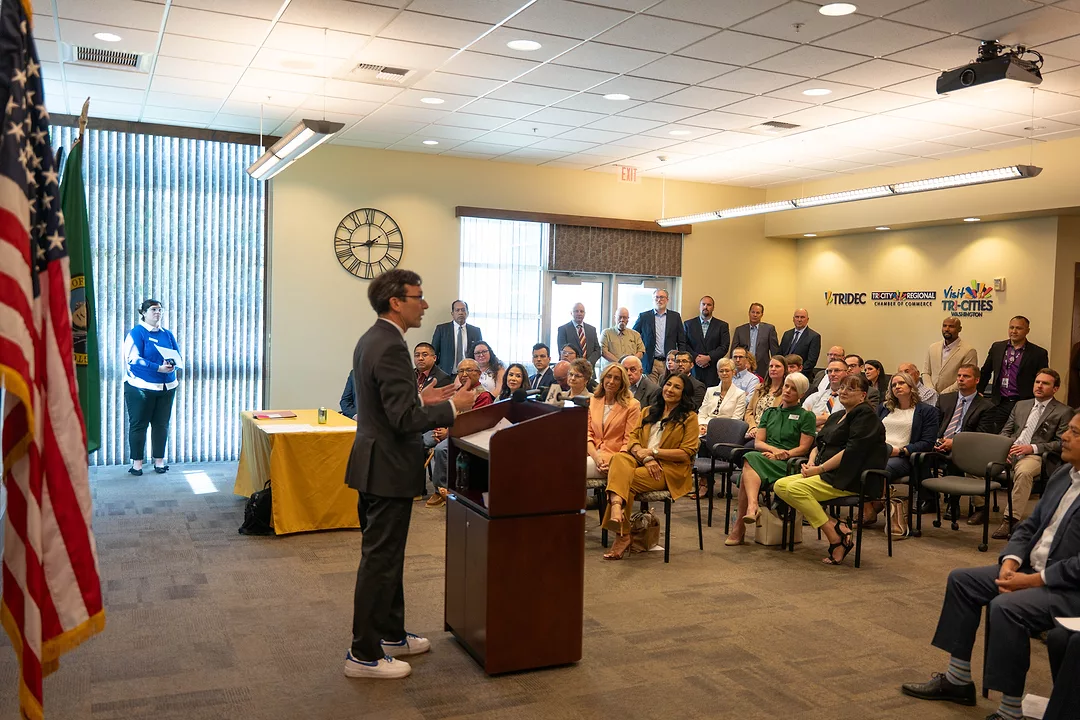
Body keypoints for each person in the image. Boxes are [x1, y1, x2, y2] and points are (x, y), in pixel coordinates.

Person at [900, 409, 1080, 720]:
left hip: (1067, 586)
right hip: (1029, 570)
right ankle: (958, 680)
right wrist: (1010, 561)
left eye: (1076, 433)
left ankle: (1010, 711)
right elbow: (1029, 525)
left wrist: (1033, 581)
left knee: (1007, 607)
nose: (1064, 436)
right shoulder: (1064, 475)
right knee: (962, 580)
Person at [343, 269, 475, 680]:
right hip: (386, 467)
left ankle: (391, 634)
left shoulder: (374, 339)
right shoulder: (392, 347)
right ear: (396, 302)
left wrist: (422, 397)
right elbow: (403, 420)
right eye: (418, 297)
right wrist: (454, 408)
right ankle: (363, 654)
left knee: (388, 556)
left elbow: (389, 407)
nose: (423, 303)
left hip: (374, 463)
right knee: (379, 561)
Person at [773, 374, 886, 566]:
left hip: (850, 476)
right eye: (842, 387)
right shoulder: (837, 415)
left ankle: (834, 538)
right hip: (825, 471)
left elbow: (851, 452)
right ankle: (836, 526)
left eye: (850, 388)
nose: (843, 391)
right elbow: (819, 443)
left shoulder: (866, 417)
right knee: (780, 486)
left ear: (862, 395)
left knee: (795, 489)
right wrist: (810, 462)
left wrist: (819, 469)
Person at [600, 372, 699, 559]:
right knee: (618, 459)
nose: (670, 389)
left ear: (684, 393)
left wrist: (654, 453)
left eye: (677, 387)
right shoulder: (648, 411)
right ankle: (618, 513)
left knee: (625, 481)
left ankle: (621, 530)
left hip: (668, 469)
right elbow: (632, 439)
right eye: (668, 384)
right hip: (642, 461)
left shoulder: (689, 417)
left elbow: (686, 452)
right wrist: (646, 457)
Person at [974, 368, 1072, 539]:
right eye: (1037, 382)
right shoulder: (1021, 405)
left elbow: (1061, 443)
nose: (1039, 386)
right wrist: (1001, 449)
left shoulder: (1063, 411)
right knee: (976, 460)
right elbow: (1006, 431)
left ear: (1055, 389)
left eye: (1045, 383)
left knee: (1024, 472)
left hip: (1036, 455)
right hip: (1011, 450)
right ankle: (981, 508)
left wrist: (1032, 448)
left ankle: (1010, 519)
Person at [725, 373, 816, 546]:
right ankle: (751, 508)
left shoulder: (806, 416)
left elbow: (804, 448)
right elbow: (759, 442)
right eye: (787, 386)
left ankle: (741, 525)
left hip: (789, 463)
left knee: (748, 462)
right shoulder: (770, 412)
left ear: (802, 394)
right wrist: (774, 451)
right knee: (751, 457)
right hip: (767, 457)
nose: (788, 391)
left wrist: (784, 454)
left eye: (794, 389)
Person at [863, 372, 939, 524]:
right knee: (857, 464)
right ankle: (869, 509)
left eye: (901, 383)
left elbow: (927, 442)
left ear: (911, 387)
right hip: (879, 452)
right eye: (893, 385)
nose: (897, 387)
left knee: (878, 469)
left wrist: (902, 450)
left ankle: (876, 504)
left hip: (904, 456)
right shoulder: (884, 408)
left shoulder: (926, 411)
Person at [426, 358, 495, 509]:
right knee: (420, 440)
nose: (464, 374)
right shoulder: (458, 392)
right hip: (449, 429)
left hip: (466, 435)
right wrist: (441, 429)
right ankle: (417, 486)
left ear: (478, 373)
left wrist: (448, 433)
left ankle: (442, 490)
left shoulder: (484, 395)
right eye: (461, 371)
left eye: (469, 370)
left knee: (441, 449)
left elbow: (474, 424)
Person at [123, 299, 182, 475]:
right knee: (139, 425)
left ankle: (159, 462)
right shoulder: (136, 333)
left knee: (161, 424)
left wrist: (172, 365)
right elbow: (133, 360)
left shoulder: (167, 334)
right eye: (153, 309)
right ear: (143, 312)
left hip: (167, 386)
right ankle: (137, 464)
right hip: (141, 387)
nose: (158, 313)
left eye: (160, 310)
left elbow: (177, 356)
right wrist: (157, 368)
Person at [979, 315, 1050, 434]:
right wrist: (979, 391)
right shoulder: (997, 347)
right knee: (995, 434)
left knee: (1018, 434)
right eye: (1011, 327)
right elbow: (986, 371)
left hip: (1023, 402)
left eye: (1019, 328)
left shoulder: (1038, 353)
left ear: (1027, 331)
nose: (1014, 331)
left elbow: (1042, 378)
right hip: (999, 401)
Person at [586, 364, 642, 478]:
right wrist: (596, 457)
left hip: (614, 458)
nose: (611, 381)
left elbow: (629, 441)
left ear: (622, 383)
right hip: (592, 454)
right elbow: (588, 434)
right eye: (609, 376)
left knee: (571, 470)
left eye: (617, 378)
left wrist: (616, 463)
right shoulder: (593, 401)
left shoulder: (632, 405)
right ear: (602, 379)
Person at [632, 288, 687, 382]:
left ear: (667, 300)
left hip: (669, 362)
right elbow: (633, 337)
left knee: (667, 389)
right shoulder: (644, 317)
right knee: (651, 391)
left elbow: (681, 341)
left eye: (662, 297)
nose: (659, 300)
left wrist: (680, 360)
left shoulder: (675, 317)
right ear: (653, 299)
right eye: (656, 297)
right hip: (650, 362)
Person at [684, 295, 730, 388]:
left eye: (709, 305)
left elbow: (724, 347)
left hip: (713, 369)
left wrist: (708, 357)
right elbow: (684, 344)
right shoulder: (688, 324)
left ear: (713, 308)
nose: (706, 307)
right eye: (703, 304)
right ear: (699, 306)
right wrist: (696, 357)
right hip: (694, 369)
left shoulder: (722, 325)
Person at [924, 316, 979, 394]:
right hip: (931, 395)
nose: (947, 329)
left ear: (959, 329)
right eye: (944, 326)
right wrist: (931, 390)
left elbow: (966, 377)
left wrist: (945, 393)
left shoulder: (968, 351)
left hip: (953, 396)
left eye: (951, 326)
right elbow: (926, 372)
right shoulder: (933, 347)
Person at [697, 358, 748, 436]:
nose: (724, 373)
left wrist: (712, 428)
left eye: (727, 371)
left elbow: (736, 419)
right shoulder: (710, 391)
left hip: (726, 430)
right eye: (721, 371)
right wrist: (701, 425)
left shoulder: (740, 394)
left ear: (733, 372)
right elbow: (702, 412)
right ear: (718, 373)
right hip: (705, 427)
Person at [430, 299, 482, 375]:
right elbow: (433, 353)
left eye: (463, 310)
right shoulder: (442, 329)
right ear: (452, 313)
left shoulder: (475, 331)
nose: (460, 313)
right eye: (457, 310)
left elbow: (479, 353)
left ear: (467, 313)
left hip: (469, 375)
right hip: (446, 375)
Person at [729, 302, 778, 378]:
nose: (755, 315)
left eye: (758, 313)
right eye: (753, 312)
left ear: (762, 314)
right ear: (749, 313)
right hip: (743, 368)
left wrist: (775, 367)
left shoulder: (769, 329)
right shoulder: (740, 330)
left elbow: (775, 352)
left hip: (762, 368)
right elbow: (733, 351)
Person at [745, 355, 787, 440]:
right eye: (771, 366)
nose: (773, 369)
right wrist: (752, 427)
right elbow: (749, 412)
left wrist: (760, 431)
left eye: (777, 366)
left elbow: (783, 419)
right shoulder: (759, 388)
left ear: (785, 370)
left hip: (770, 434)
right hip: (752, 430)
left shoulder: (787, 392)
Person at [803, 359, 848, 430]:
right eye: (829, 371)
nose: (832, 374)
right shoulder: (815, 396)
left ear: (847, 373)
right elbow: (802, 420)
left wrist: (818, 422)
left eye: (837, 370)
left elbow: (844, 425)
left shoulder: (850, 399)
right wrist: (826, 418)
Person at [556, 302, 601, 367]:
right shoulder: (563, 329)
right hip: (571, 368)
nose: (579, 313)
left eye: (581, 311)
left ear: (584, 314)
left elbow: (597, 350)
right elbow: (563, 351)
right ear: (571, 313)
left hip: (589, 369)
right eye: (576, 311)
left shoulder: (592, 329)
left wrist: (588, 363)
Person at [778, 307, 821, 374]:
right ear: (793, 319)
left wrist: (796, 372)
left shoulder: (814, 337)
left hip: (801, 375)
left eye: (802, 317)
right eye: (797, 317)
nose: (799, 320)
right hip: (783, 373)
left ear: (807, 319)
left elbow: (811, 361)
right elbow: (780, 354)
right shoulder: (787, 334)